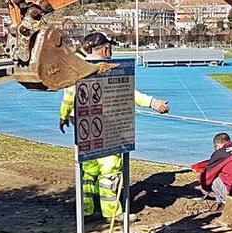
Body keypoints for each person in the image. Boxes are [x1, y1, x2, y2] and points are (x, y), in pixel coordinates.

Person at [58, 32, 170, 221]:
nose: (110, 51)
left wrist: (63, 116)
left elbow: (69, 95)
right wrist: (154, 103)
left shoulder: (77, 68)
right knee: (110, 170)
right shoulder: (103, 69)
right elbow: (127, 92)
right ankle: (112, 213)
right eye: (107, 47)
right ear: (101, 48)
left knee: (89, 170)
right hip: (107, 128)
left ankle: (86, 210)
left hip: (85, 130)